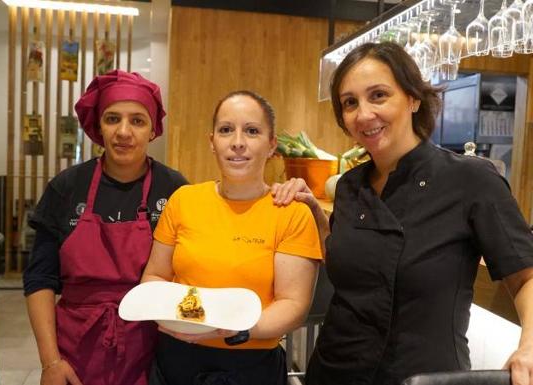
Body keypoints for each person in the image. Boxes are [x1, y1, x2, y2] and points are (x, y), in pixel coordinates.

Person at [272, 42, 533, 385]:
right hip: (334, 371)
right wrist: (316, 217)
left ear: (413, 98)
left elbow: (524, 275)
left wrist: (528, 346)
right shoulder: (349, 186)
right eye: (350, 102)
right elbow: (354, 264)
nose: (364, 114)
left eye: (378, 95)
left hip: (421, 376)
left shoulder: (471, 180)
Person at [141, 90, 322, 385]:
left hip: (250, 364)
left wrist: (232, 329)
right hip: (177, 356)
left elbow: (292, 304)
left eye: (252, 131)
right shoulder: (184, 200)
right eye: (226, 130)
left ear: (271, 144)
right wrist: (169, 316)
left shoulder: (290, 212)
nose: (238, 142)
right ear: (212, 141)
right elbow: (155, 275)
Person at [23, 70, 188, 385]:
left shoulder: (175, 189)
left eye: (137, 121)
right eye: (113, 119)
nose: (124, 132)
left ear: (153, 129)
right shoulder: (67, 187)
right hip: (76, 350)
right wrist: (50, 362)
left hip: (154, 350)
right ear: (98, 125)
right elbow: (39, 279)